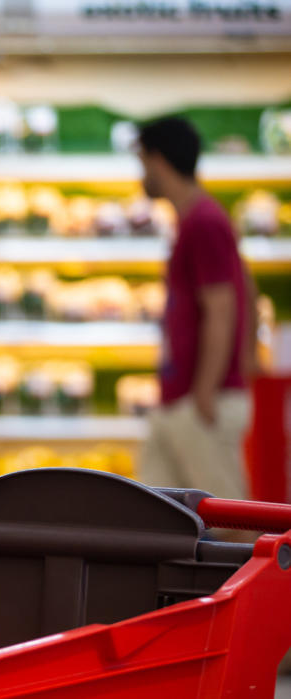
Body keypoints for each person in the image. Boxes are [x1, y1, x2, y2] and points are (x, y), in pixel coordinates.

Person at [136, 116, 258, 501]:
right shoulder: (196, 220)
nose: (141, 175)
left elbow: (222, 309)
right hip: (179, 400)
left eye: (141, 162)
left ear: (157, 160)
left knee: (230, 522)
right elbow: (248, 291)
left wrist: (205, 391)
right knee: (154, 515)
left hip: (200, 401)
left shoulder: (204, 222)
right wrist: (249, 356)